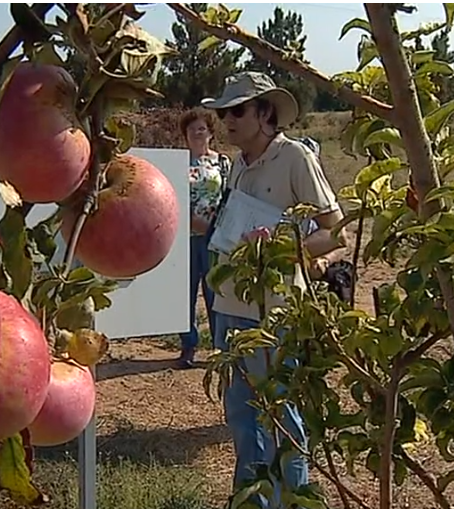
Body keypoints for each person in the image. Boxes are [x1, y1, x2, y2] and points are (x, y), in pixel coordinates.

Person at [201, 72, 350, 507]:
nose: (226, 119)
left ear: (265, 113)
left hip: (276, 310)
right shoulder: (237, 165)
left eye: (236, 110)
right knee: (243, 418)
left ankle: (292, 499)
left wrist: (282, 248)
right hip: (231, 304)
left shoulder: (295, 158)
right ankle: (251, 501)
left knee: (281, 414)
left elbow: (335, 231)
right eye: (223, 112)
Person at [177, 108, 231, 369]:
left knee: (215, 293)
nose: (198, 133)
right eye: (192, 129)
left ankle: (221, 346)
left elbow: (230, 198)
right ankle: (188, 346)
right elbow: (171, 197)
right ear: (185, 135)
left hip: (214, 239)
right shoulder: (177, 163)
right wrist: (190, 219)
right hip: (184, 238)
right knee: (184, 294)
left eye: (202, 128)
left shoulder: (222, 163)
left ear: (210, 132)